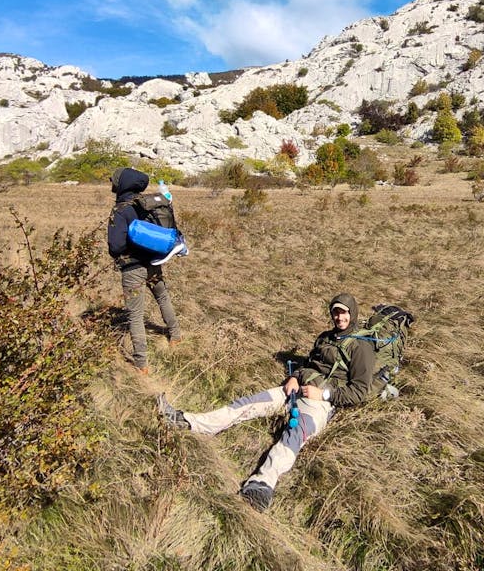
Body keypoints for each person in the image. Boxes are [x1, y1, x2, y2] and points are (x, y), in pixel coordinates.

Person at [157, 293, 375, 512]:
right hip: (294, 389)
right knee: (247, 404)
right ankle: (189, 421)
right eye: (335, 312)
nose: (339, 317)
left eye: (344, 312)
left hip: (319, 404)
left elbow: (359, 391)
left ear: (352, 313)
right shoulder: (325, 337)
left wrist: (324, 395)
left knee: (294, 435)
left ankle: (262, 484)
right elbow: (308, 363)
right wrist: (294, 377)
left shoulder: (360, 347)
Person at [107, 167, 181, 372]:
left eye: (115, 181)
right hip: (153, 262)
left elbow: (115, 246)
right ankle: (175, 335)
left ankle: (141, 364)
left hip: (133, 269)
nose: (112, 184)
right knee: (163, 298)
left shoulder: (120, 210)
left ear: (122, 184)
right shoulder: (145, 204)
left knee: (135, 315)